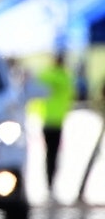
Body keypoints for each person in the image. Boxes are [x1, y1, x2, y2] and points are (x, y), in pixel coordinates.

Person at [32, 51, 75, 197]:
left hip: (47, 120)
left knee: (49, 154)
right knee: (54, 154)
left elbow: (35, 87)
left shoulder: (46, 76)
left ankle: (49, 182)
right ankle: (51, 182)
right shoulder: (66, 78)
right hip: (57, 121)